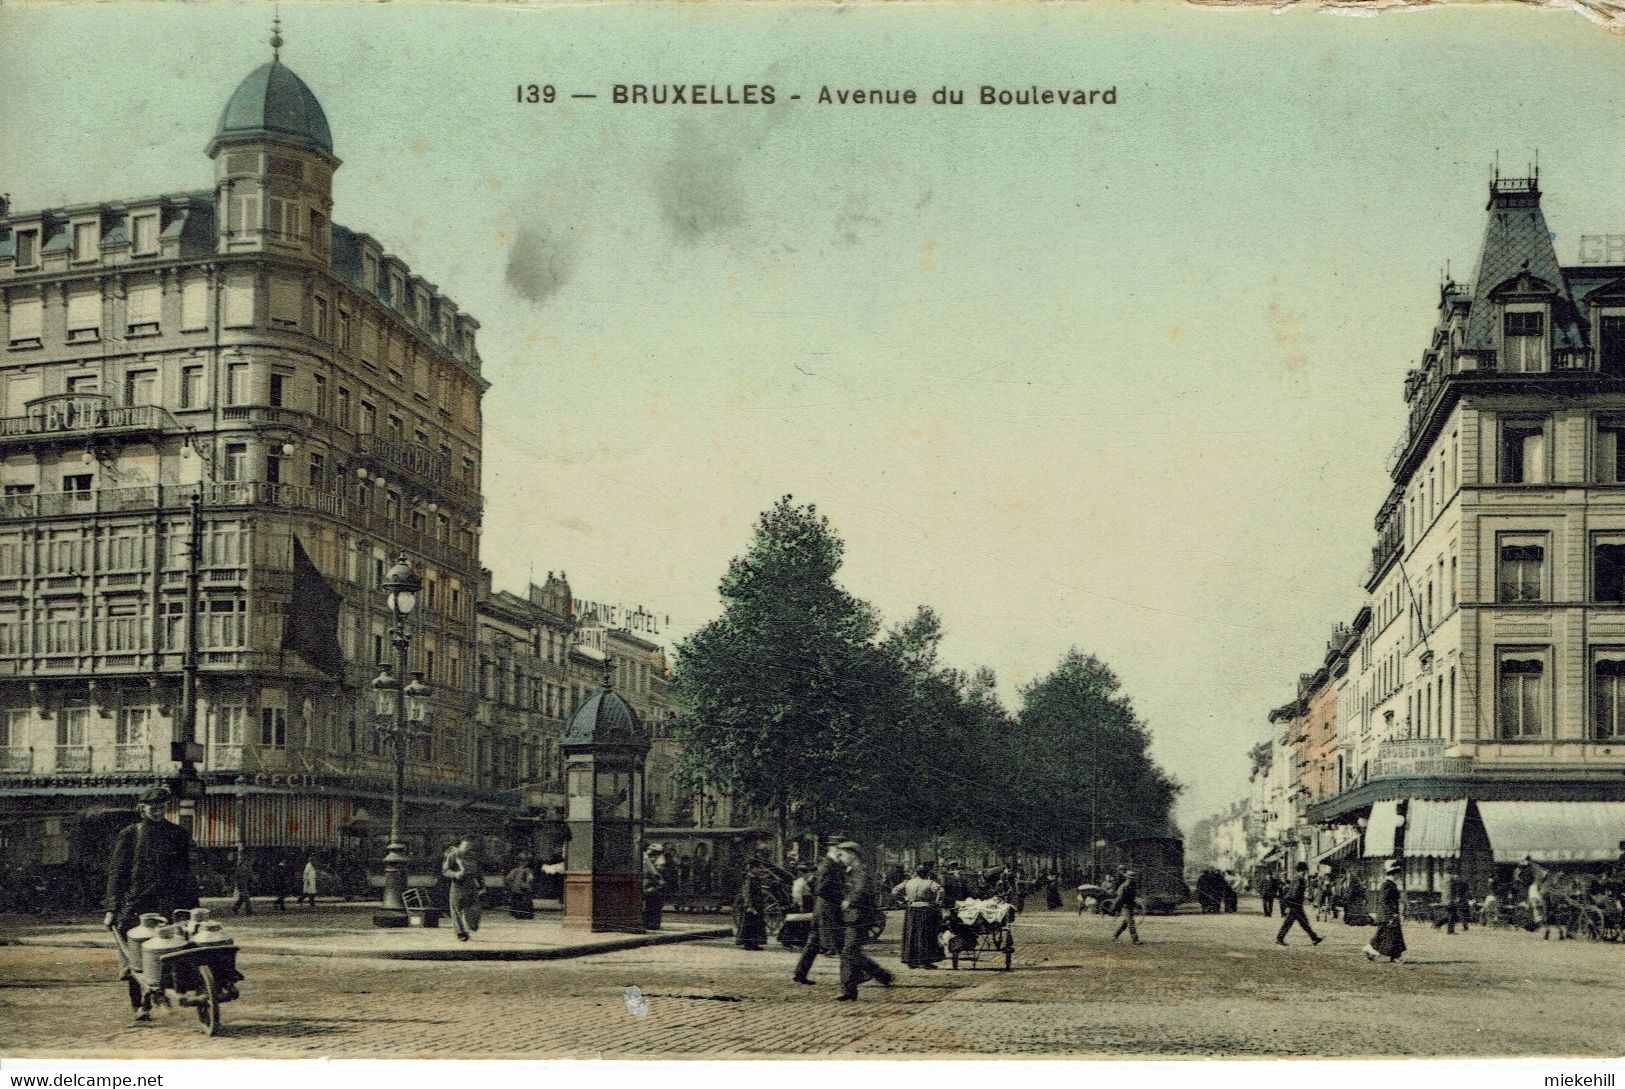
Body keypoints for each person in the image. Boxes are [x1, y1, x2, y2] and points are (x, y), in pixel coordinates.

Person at [103, 786, 201, 1022]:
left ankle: (162, 991)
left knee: (172, 950)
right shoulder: (131, 834)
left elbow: (187, 872)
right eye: (152, 808)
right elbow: (117, 872)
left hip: (169, 901)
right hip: (136, 902)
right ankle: (140, 1005)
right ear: (142, 808)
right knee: (134, 956)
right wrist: (111, 908)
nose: (157, 812)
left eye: (161, 808)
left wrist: (192, 906)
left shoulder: (177, 834)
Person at [835, 841, 894, 1001]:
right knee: (850, 953)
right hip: (852, 917)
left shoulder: (861, 870)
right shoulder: (852, 870)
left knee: (848, 953)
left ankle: (851, 989)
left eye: (843, 854)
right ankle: (878, 976)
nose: (841, 857)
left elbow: (860, 890)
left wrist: (849, 901)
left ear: (852, 854)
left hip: (859, 917)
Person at [793, 839, 846, 984]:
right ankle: (866, 973)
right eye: (840, 848)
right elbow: (821, 889)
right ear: (834, 849)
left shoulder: (831, 864)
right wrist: (840, 898)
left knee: (813, 942)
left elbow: (814, 884)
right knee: (842, 944)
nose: (842, 852)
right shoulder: (828, 865)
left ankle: (800, 973)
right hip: (828, 909)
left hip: (822, 908)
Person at [892, 861, 945, 969]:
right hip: (926, 910)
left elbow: (895, 891)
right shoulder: (930, 883)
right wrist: (937, 902)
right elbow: (941, 891)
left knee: (912, 934)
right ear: (926, 873)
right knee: (925, 935)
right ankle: (925, 961)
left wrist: (901, 901)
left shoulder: (908, 882)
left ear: (916, 873)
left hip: (911, 910)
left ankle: (911, 961)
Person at [442, 835, 483, 942]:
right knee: (457, 910)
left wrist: (482, 885)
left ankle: (472, 924)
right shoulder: (452, 855)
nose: (468, 847)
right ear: (461, 843)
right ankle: (461, 933)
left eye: (471, 845)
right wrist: (456, 874)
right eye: (467, 844)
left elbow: (478, 872)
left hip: (471, 885)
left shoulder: (472, 856)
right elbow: (445, 871)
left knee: (476, 907)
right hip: (458, 885)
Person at [1364, 861, 1406, 962]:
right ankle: (1371, 949)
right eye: (1398, 873)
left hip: (1391, 914)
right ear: (1393, 873)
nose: (1399, 875)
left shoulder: (1391, 885)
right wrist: (1391, 914)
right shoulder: (1387, 885)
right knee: (1385, 934)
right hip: (1388, 914)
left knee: (1392, 936)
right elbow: (1384, 901)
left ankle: (1394, 956)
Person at [1275, 861, 1323, 947]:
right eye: (1305, 870)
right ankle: (1314, 938)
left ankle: (1314, 938)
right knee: (1298, 922)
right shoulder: (1299, 879)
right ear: (1302, 870)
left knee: (1300, 922)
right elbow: (1294, 891)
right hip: (1296, 904)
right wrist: (1294, 902)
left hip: (1295, 903)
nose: (1305, 872)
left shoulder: (1296, 878)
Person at [734, 860, 769, 951]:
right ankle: (748, 944)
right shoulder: (748, 879)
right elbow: (746, 893)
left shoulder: (756, 878)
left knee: (757, 925)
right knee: (749, 925)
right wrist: (749, 906)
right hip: (750, 906)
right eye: (757, 868)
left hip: (758, 905)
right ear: (752, 868)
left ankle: (755, 943)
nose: (758, 870)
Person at [1435, 862, 1468, 934]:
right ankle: (1446, 928)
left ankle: (1439, 924)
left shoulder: (1444, 878)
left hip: (1445, 899)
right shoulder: (1451, 878)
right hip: (1450, 899)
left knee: (1451, 914)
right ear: (1450, 870)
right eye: (1452, 870)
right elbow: (1459, 882)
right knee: (1453, 914)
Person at [1112, 868, 1143, 944]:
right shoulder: (1123, 887)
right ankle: (1135, 940)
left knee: (1125, 923)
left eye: (1133, 878)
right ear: (1127, 878)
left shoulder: (1133, 886)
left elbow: (1133, 897)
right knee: (1131, 922)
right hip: (1125, 906)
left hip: (1131, 905)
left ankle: (1115, 936)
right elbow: (1119, 898)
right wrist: (1115, 908)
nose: (1132, 880)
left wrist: (1137, 905)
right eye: (1131, 878)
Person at [642, 845, 668, 930]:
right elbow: (655, 872)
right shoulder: (648, 858)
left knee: (652, 905)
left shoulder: (656, 859)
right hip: (652, 883)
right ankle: (652, 924)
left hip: (652, 884)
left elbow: (656, 871)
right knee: (653, 905)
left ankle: (651, 924)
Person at [229, 849, 255, 916]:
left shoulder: (242, 868)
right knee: (246, 897)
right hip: (242, 884)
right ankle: (249, 911)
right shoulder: (244, 868)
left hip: (242, 884)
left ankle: (235, 908)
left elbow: (236, 876)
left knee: (242, 897)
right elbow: (249, 876)